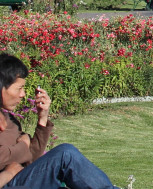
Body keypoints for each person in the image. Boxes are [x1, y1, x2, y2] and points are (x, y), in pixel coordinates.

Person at [0, 54, 123, 189]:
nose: (23, 94)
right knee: (66, 154)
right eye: (19, 88)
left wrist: (42, 118)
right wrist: (23, 146)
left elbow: (31, 160)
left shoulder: (10, 121)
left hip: (21, 181)